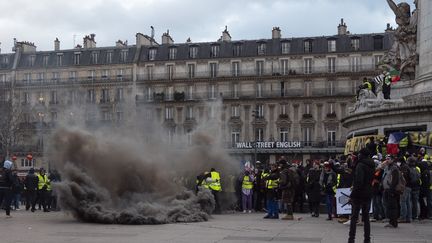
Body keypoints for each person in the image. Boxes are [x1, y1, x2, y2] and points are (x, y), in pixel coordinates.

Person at [348, 148, 375, 243]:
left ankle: (351, 239)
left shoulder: (360, 165)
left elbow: (359, 182)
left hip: (359, 194)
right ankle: (367, 239)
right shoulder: (372, 165)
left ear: (362, 155)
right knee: (366, 217)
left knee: (354, 217)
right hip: (368, 192)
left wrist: (352, 195)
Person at [382, 155, 401, 228]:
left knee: (393, 206)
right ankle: (391, 221)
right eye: (386, 158)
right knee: (389, 206)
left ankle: (393, 222)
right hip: (387, 189)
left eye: (388, 159)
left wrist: (392, 190)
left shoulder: (394, 168)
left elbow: (395, 181)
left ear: (392, 160)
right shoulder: (387, 167)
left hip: (391, 190)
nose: (386, 160)